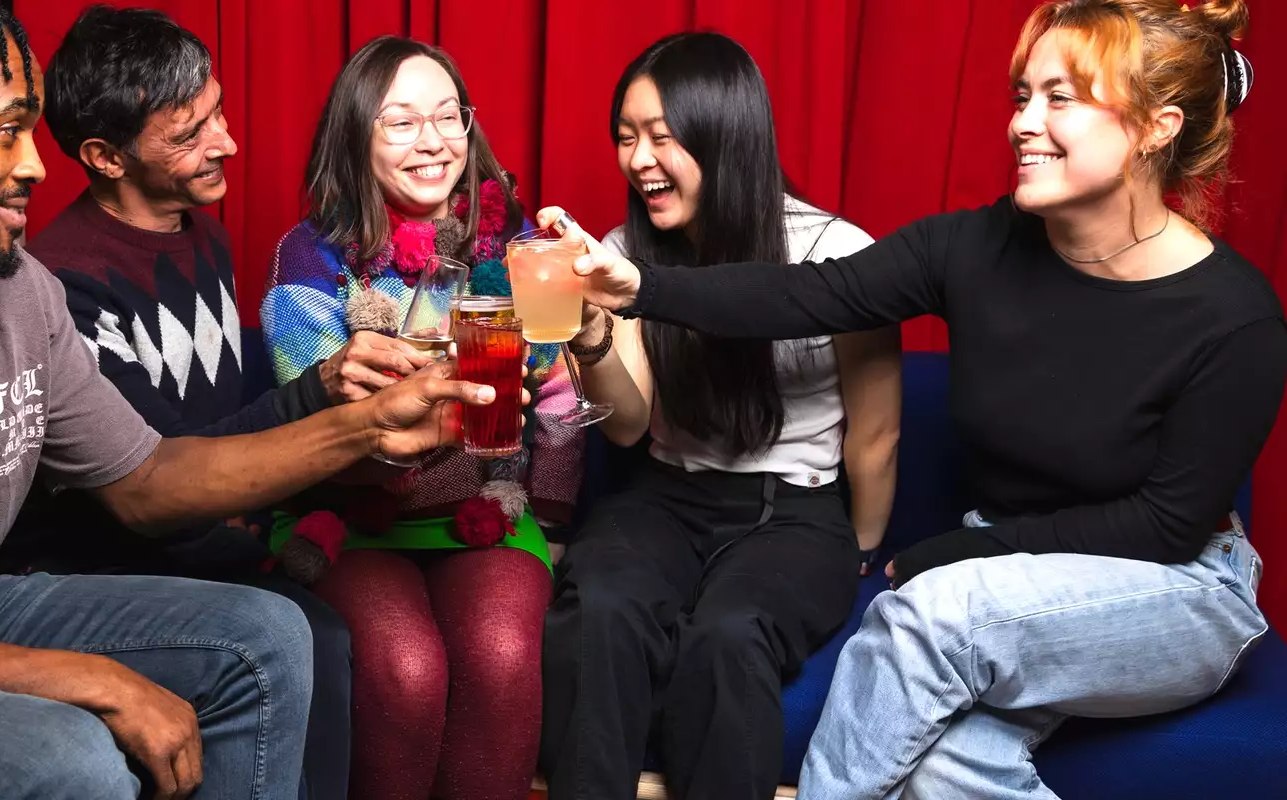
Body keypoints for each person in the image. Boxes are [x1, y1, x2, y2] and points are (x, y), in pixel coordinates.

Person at [0, 2, 504, 798]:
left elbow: (149, 481)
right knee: (63, 755)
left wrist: (360, 426)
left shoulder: (13, 289)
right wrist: (99, 681)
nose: (37, 166)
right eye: (7, 131)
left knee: (271, 636)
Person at [542, 1, 1283, 798]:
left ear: (1156, 127)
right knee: (942, 771)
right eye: (1020, 95)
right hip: (1018, 571)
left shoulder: (1234, 317)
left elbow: (1166, 525)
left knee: (927, 614)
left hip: (1176, 588)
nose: (1023, 123)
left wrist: (952, 553)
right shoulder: (973, 247)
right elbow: (803, 295)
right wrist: (641, 285)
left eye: (1059, 98)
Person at [0, 8, 419, 798]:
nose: (227, 142)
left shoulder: (203, 235)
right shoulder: (64, 284)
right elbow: (156, 484)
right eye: (189, 133)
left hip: (220, 538)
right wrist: (323, 397)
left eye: (217, 111)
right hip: (111, 567)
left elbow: (234, 410)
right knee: (315, 634)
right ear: (104, 156)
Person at [536, 33, 902, 800]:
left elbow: (875, 431)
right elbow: (629, 426)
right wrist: (593, 330)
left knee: (730, 636)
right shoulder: (622, 251)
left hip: (794, 511)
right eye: (626, 137)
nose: (639, 159)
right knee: (601, 604)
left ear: (726, 136)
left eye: (663, 138)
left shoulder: (837, 252)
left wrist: (859, 549)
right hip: (664, 496)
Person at [259, 35, 580, 800]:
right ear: (355, 136)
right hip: (348, 513)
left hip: (485, 504)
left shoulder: (518, 242)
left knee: (501, 652)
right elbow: (323, 440)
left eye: (448, 117)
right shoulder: (308, 261)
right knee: (406, 668)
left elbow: (561, 395)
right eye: (401, 122)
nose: (434, 141)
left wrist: (559, 524)